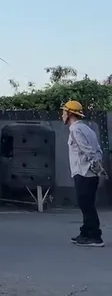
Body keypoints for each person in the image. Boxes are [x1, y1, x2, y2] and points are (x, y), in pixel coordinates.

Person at [62, 100, 106, 247]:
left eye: (64, 112)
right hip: (90, 173)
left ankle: (95, 236)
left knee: (86, 205)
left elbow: (87, 150)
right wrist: (98, 167)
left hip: (83, 172)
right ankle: (85, 233)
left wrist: (94, 165)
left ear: (69, 114)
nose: (62, 115)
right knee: (87, 204)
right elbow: (98, 150)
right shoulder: (88, 129)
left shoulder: (75, 130)